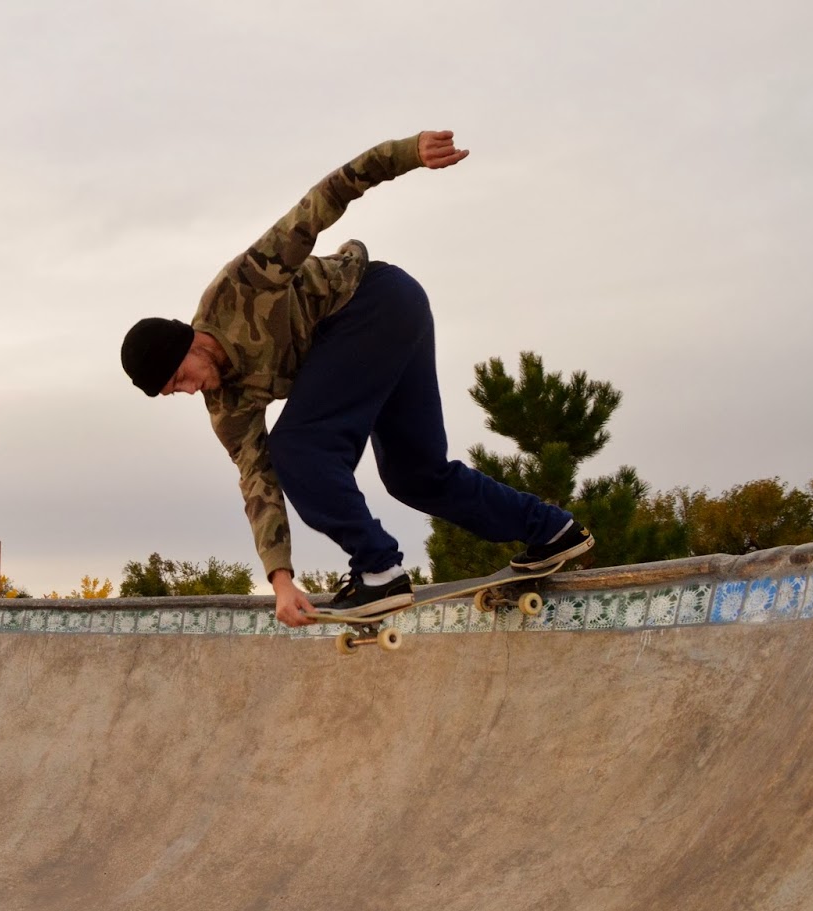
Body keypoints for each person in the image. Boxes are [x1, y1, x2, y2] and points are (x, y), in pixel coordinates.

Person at [120, 129, 593, 628]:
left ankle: (378, 570)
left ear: (188, 344)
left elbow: (324, 199)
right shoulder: (227, 405)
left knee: (300, 446)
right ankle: (552, 531)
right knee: (415, 473)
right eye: (175, 392)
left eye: (179, 378)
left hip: (376, 300)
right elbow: (258, 487)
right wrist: (281, 581)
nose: (189, 390)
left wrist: (409, 154)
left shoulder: (241, 286)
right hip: (380, 335)